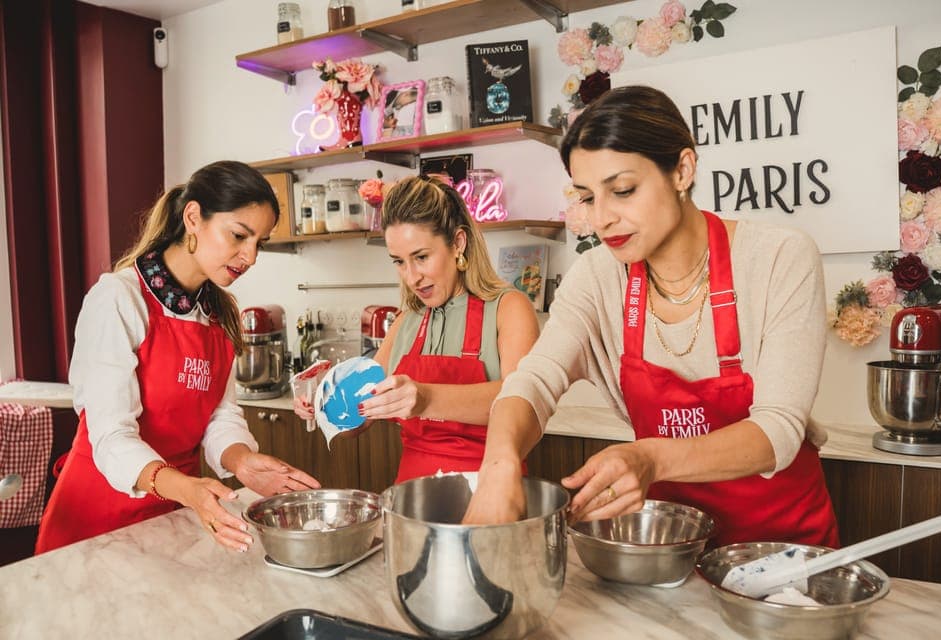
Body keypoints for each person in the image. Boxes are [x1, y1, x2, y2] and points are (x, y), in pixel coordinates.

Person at [463, 86, 839, 548]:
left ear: (682, 170)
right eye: (587, 197)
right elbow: (534, 381)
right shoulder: (597, 277)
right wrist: (499, 465)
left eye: (622, 190)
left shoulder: (779, 256)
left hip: (784, 552)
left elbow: (778, 429)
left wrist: (650, 458)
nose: (602, 219)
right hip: (671, 548)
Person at [36, 160, 320, 554]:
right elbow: (111, 436)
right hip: (97, 519)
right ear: (193, 217)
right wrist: (186, 489)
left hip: (177, 509)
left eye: (260, 243)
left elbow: (220, 417)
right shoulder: (119, 298)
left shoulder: (221, 315)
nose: (250, 257)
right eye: (239, 235)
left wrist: (241, 462)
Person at [295, 176, 540, 483]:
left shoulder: (509, 307)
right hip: (414, 495)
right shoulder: (406, 320)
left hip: (493, 489)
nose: (412, 277)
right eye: (399, 261)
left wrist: (425, 398)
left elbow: (524, 402)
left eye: (421, 257)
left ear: (458, 243)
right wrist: (325, 403)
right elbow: (364, 415)